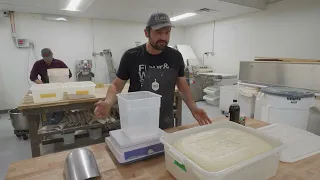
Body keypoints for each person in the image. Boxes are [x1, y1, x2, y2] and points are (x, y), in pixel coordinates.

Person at [94, 12, 212, 129]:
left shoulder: (175, 56)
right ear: (146, 33)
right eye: (158, 32)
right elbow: (116, 86)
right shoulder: (131, 56)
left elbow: (182, 86)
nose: (164, 38)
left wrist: (193, 108)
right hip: (137, 118)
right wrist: (108, 102)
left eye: (167, 32)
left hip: (165, 119)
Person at [30, 48, 72, 125]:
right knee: (47, 107)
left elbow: (69, 74)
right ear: (42, 57)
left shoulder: (59, 63)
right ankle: (47, 123)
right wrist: (41, 84)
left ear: (52, 55)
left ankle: (60, 120)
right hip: (45, 88)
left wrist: (61, 80)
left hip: (59, 88)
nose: (48, 61)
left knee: (59, 106)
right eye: (46, 59)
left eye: (49, 58)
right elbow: (33, 77)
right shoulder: (38, 64)